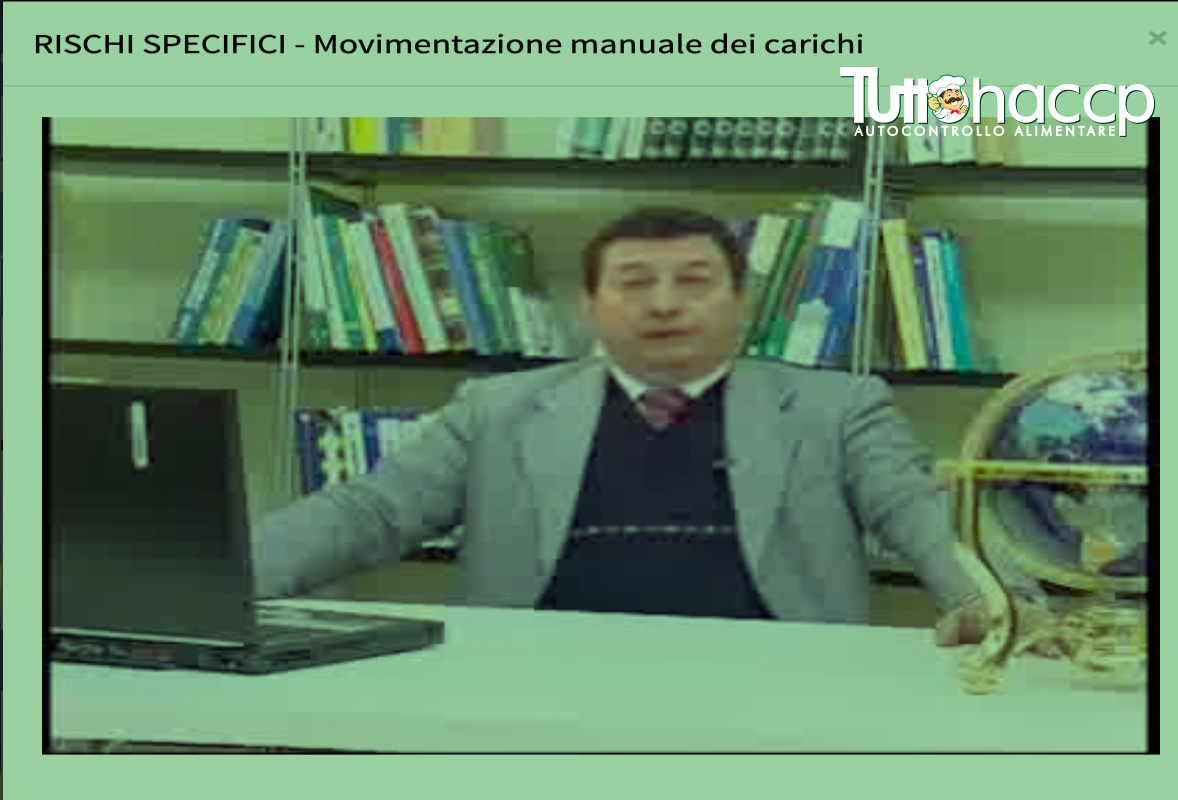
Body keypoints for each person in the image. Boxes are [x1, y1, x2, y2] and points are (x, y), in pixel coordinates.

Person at [252, 206, 1058, 654]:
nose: (665, 304)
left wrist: (999, 605)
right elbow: (370, 511)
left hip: (774, 695)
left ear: (742, 304)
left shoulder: (836, 407)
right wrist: (221, 578)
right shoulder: (497, 409)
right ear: (590, 307)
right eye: (635, 283)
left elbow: (921, 515)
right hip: (531, 688)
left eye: (695, 281)